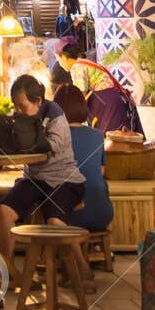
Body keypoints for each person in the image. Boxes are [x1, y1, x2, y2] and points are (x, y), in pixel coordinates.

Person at [0, 75, 85, 279]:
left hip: (65, 180)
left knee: (55, 222)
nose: (17, 110)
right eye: (15, 106)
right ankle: (7, 268)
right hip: (35, 179)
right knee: (4, 211)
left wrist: (25, 140)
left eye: (21, 105)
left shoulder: (55, 116)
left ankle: (81, 269)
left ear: (38, 101)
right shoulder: (21, 117)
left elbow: (52, 147)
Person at [55, 86, 114, 233]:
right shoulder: (98, 136)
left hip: (69, 217)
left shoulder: (54, 137)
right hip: (102, 213)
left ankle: (65, 255)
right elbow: (99, 173)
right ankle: (87, 249)